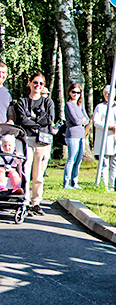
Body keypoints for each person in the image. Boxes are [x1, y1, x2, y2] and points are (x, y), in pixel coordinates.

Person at [13, 72, 55, 215]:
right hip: (27, 140)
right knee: (25, 170)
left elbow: (49, 119)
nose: (38, 86)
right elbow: (22, 120)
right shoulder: (22, 102)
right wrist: (37, 123)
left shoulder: (47, 102)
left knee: (38, 174)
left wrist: (32, 121)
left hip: (43, 142)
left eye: (41, 83)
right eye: (35, 82)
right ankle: (24, 200)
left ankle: (36, 202)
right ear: (30, 83)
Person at [93, 85, 116, 191]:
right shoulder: (100, 107)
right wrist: (108, 127)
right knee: (105, 162)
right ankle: (104, 185)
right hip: (105, 137)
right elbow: (96, 122)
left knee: (115, 163)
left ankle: (113, 185)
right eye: (106, 93)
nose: (108, 95)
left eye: (110, 93)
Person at [62, 82, 90, 189]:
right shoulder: (69, 105)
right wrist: (82, 120)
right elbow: (76, 120)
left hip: (81, 135)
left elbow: (87, 119)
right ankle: (66, 182)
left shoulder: (80, 105)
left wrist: (83, 120)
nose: (76, 94)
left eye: (78, 92)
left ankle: (75, 181)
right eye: (73, 92)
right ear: (69, 92)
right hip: (72, 135)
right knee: (71, 158)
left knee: (78, 160)